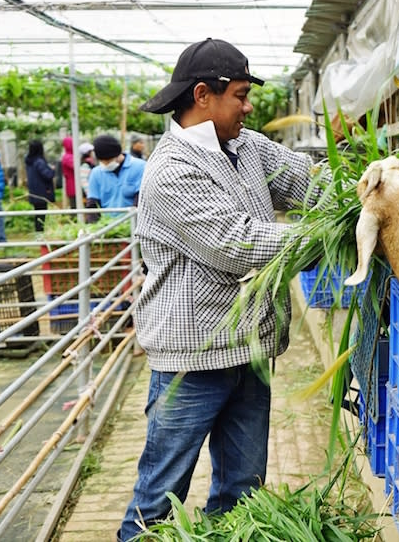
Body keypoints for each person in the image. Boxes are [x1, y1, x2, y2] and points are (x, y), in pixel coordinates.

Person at [118, 38, 326, 540]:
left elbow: (309, 183)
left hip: (250, 350)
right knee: (160, 496)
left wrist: (367, 192)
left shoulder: (247, 146)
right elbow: (236, 245)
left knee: (243, 492)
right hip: (192, 357)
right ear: (203, 96)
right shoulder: (170, 171)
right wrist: (324, 234)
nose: (249, 106)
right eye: (239, 94)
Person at [84, 134, 146, 223]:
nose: (105, 165)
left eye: (108, 161)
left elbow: (142, 200)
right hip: (108, 225)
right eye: (102, 161)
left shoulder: (140, 167)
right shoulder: (96, 173)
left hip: (135, 224)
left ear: (118, 154)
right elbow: (92, 205)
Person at [24, 139, 55, 233]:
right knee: (41, 215)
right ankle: (40, 235)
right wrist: (52, 169)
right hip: (42, 192)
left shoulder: (29, 161)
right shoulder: (39, 162)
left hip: (34, 192)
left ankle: (39, 234)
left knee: (38, 215)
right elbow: (48, 175)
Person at [60, 136, 78, 208]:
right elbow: (76, 167)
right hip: (72, 185)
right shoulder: (68, 157)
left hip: (73, 185)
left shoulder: (70, 155)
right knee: (74, 206)